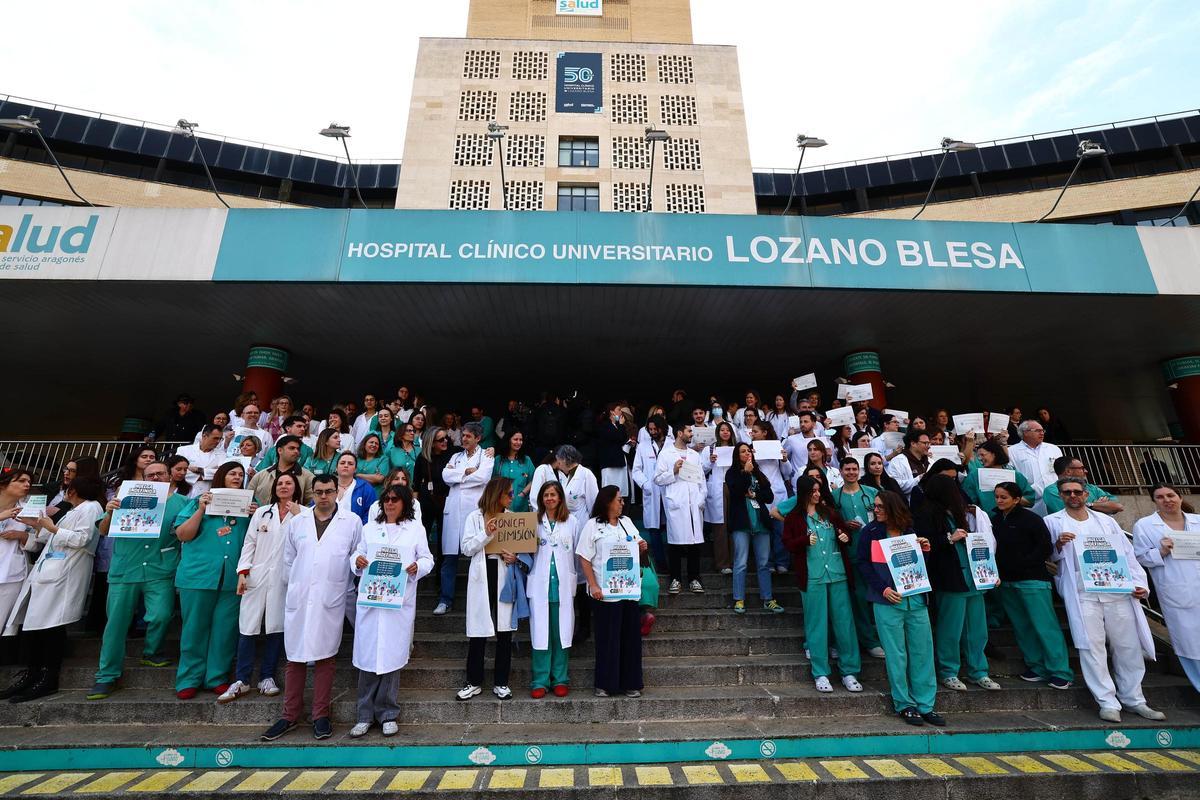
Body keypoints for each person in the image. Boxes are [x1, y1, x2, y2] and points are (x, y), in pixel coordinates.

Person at [1045, 476, 1163, 723]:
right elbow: (1048, 558)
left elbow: (1127, 554)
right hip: (1083, 593)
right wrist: (1058, 544)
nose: (1073, 496)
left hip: (1117, 590)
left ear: (1086, 495)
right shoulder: (1052, 522)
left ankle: (1134, 699)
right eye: (1067, 492)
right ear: (1060, 495)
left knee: (1128, 647)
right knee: (1092, 646)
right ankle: (1107, 701)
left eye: (1077, 491)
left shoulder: (1106, 521)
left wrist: (1139, 584)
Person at [260, 474, 363, 741]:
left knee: (326, 657)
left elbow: (355, 556)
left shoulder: (351, 522)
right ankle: (289, 715)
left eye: (329, 491)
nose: (324, 496)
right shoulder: (299, 521)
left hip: (331, 597)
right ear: (312, 494)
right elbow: (289, 560)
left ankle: (320, 715)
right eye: (319, 492)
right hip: (300, 597)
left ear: (336, 493)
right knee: (294, 658)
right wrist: (296, 588)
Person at [88, 460, 189, 700]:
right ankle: (106, 675)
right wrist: (111, 511)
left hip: (160, 568)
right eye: (150, 475)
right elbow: (102, 531)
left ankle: (152, 650)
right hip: (126, 568)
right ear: (143, 479)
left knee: (162, 615)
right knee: (116, 624)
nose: (156, 478)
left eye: (160, 474)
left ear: (170, 476)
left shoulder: (183, 502)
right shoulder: (124, 497)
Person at [1, 476, 104, 702]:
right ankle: (32, 674)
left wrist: (52, 528)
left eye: (68, 488)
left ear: (74, 490)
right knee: (37, 628)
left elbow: (82, 539)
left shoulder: (91, 508)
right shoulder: (75, 510)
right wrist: (38, 526)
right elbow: (48, 537)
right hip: (48, 572)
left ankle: (47, 678)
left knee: (51, 627)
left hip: (64, 574)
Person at [349, 484, 433, 737]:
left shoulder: (415, 530)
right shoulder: (369, 528)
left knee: (391, 659)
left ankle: (387, 714)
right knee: (367, 658)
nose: (390, 503)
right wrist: (358, 561)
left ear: (405, 503)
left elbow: (428, 558)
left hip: (397, 602)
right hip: (372, 600)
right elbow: (357, 554)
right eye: (386, 499)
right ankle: (364, 715)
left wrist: (417, 566)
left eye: (395, 500)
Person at [219, 473, 308, 704]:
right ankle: (242, 679)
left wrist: (300, 518)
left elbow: (308, 545)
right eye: (280, 483)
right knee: (248, 626)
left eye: (289, 483)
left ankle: (267, 676)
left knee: (276, 627)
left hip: (285, 578)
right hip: (256, 576)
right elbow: (250, 543)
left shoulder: (304, 514)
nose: (284, 486)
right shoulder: (261, 512)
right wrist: (243, 572)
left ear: (295, 487)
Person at [858, 490, 944, 726]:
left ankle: (926, 705)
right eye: (874, 507)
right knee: (896, 655)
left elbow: (917, 567)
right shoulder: (870, 532)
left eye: (880, 507)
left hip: (915, 599)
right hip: (887, 601)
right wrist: (882, 589)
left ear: (893, 508)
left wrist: (925, 550)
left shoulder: (909, 531)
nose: (876, 511)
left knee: (922, 653)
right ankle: (904, 704)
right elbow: (863, 565)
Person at [172, 462, 257, 699]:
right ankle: (189, 678)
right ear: (221, 475)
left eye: (241, 474)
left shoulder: (250, 507)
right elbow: (183, 535)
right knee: (194, 629)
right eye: (232, 473)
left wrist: (255, 516)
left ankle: (216, 677)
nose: (238, 477)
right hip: (198, 576)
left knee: (224, 630)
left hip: (233, 578)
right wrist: (201, 509)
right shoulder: (198, 501)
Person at [778, 475, 863, 694]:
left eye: (819, 490)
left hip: (837, 574)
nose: (817, 494)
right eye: (813, 491)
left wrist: (845, 537)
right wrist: (803, 541)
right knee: (816, 625)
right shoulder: (794, 518)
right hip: (813, 576)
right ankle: (821, 672)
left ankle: (849, 671)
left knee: (844, 624)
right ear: (804, 493)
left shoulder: (830, 513)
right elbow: (787, 543)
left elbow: (844, 534)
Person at [916, 474, 1000, 692]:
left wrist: (990, 573)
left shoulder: (962, 514)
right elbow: (923, 543)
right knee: (950, 629)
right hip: (950, 579)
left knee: (977, 629)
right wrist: (947, 539)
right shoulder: (926, 514)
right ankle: (948, 671)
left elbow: (979, 545)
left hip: (973, 579)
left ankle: (978, 670)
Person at [990, 481, 1073, 689]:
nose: (999, 501)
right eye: (997, 497)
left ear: (1016, 499)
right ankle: (1036, 666)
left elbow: (1044, 547)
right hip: (1007, 582)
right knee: (1022, 627)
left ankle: (1060, 670)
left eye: (1004, 497)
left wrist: (1024, 565)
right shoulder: (995, 520)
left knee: (1045, 626)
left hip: (1033, 580)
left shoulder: (1032, 519)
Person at [577, 486, 648, 697]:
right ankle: (605, 683)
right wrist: (593, 585)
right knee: (608, 639)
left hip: (627, 590)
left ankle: (631, 683)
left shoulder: (626, 523)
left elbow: (636, 545)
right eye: (619, 500)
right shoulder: (593, 526)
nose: (622, 503)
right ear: (608, 502)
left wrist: (642, 546)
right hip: (605, 594)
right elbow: (584, 557)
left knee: (630, 638)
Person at [456, 478, 523, 701]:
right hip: (482, 573)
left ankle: (501, 682)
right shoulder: (474, 517)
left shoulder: (513, 518)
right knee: (478, 629)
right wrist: (485, 533)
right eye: (509, 493)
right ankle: (474, 681)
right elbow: (466, 548)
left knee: (504, 630)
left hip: (504, 573)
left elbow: (522, 551)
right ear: (497, 494)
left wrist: (515, 557)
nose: (512, 497)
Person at [1132, 483, 1200, 693]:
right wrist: (1161, 551)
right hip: (1176, 590)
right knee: (1190, 644)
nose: (1167, 500)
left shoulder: (1198, 522)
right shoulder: (1145, 525)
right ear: (1154, 501)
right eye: (1160, 497)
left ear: (1180, 497)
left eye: (1171, 495)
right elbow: (1140, 556)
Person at [436, 422, 494, 616]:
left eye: (468, 436)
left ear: (478, 438)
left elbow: (483, 477)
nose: (464, 438)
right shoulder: (455, 456)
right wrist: (466, 473)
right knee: (449, 559)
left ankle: (477, 603)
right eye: (463, 435)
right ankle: (445, 600)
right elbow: (445, 475)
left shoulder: (485, 455)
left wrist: (459, 477)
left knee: (476, 558)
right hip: (453, 512)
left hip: (474, 510)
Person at [528, 481, 579, 698]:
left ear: (560, 498)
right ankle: (540, 680)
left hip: (562, 586)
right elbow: (525, 551)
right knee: (540, 634)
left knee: (561, 634)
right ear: (541, 499)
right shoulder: (533, 522)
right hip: (540, 585)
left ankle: (560, 678)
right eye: (546, 495)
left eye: (553, 495)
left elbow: (577, 552)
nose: (549, 498)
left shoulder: (572, 521)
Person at [831, 458, 884, 658]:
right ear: (841, 471)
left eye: (854, 469)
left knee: (877, 597)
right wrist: (845, 524)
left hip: (875, 551)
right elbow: (832, 522)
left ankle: (875, 638)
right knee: (859, 599)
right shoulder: (835, 497)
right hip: (852, 553)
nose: (851, 472)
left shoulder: (871, 493)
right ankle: (868, 640)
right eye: (847, 469)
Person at [724, 443, 783, 614]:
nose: (746, 453)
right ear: (737, 455)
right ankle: (739, 599)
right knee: (740, 563)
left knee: (764, 563)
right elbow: (735, 492)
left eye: (748, 450)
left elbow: (769, 496)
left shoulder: (759, 473)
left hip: (761, 523)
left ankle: (768, 598)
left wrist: (755, 494)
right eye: (743, 451)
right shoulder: (732, 473)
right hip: (741, 523)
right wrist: (746, 472)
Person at [655, 424, 707, 595]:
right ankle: (675, 579)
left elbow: (702, 481)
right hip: (677, 503)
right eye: (689, 431)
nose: (692, 434)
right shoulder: (665, 455)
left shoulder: (694, 455)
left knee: (695, 544)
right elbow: (657, 479)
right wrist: (674, 471)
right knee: (676, 544)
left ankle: (694, 579)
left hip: (694, 503)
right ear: (679, 433)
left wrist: (700, 499)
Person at [0, 470, 40, 662]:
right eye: (21, 480)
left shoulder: (29, 510)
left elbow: (38, 542)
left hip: (11, 573)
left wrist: (23, 536)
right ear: (4, 484)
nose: (27, 484)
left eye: (29, 482)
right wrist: (2, 516)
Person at [749, 420, 793, 574]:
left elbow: (787, 472)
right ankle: (768, 562)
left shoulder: (777, 447)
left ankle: (782, 562)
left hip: (778, 492)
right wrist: (751, 458)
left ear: (765, 432)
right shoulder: (750, 450)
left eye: (755, 431)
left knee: (780, 529)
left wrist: (784, 459)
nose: (752, 434)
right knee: (764, 531)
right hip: (760, 493)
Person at [632, 415, 669, 571]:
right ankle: (661, 564)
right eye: (650, 429)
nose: (653, 432)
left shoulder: (672, 445)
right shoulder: (643, 447)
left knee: (671, 527)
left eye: (656, 429)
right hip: (652, 491)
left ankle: (673, 561)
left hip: (669, 491)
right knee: (654, 529)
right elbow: (636, 470)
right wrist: (646, 485)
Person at [962, 439, 1036, 515]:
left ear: (994, 454)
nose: (980, 458)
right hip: (986, 521)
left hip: (1012, 520)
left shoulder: (1016, 475)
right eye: (978, 456)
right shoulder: (975, 475)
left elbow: (1030, 501)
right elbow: (967, 499)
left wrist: (1011, 497)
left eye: (982, 455)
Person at [702, 421, 738, 575]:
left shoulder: (737, 449)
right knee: (720, 527)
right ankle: (723, 563)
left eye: (727, 430)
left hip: (735, 487)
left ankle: (737, 561)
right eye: (722, 430)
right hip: (718, 488)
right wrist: (710, 461)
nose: (725, 432)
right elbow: (701, 469)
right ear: (717, 432)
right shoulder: (709, 449)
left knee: (736, 525)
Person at [1041, 456, 1124, 515]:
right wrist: (1101, 506)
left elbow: (1118, 506)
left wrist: (1091, 505)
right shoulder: (1052, 491)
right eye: (1082, 468)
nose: (1086, 471)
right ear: (1068, 471)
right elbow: (1072, 512)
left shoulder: (1092, 488)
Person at [249, 435, 315, 506]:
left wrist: (299, 514)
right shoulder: (260, 476)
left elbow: (312, 505)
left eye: (298, 449)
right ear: (280, 450)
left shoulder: (308, 477)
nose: (296, 451)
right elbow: (248, 499)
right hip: (262, 516)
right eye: (292, 448)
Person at [414, 427, 454, 544]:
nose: (445, 441)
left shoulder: (452, 454)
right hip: (427, 499)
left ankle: (442, 561)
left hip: (446, 498)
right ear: (431, 443)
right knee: (423, 531)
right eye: (441, 440)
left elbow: (471, 451)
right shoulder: (422, 458)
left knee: (444, 534)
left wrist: (491, 449)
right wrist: (415, 505)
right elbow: (416, 483)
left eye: (446, 438)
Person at [1007, 420, 1063, 501]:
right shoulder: (1012, 451)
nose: (1042, 433)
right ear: (1025, 432)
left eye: (1042, 430)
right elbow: (1011, 475)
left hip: (1055, 496)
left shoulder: (1054, 448)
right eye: (1038, 431)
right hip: (1030, 498)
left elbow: (1062, 471)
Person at [176, 424, 227, 497]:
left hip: (207, 494)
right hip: (184, 493)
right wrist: (207, 475)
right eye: (215, 438)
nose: (218, 441)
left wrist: (200, 470)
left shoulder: (222, 454)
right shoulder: (183, 450)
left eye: (220, 439)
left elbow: (222, 473)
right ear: (204, 436)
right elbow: (178, 470)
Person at [596, 404, 634, 498]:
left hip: (619, 462)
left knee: (620, 491)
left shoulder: (617, 425)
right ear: (612, 412)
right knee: (609, 492)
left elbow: (622, 439)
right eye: (619, 409)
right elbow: (618, 438)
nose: (621, 412)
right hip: (609, 463)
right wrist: (621, 425)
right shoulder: (604, 425)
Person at [886, 429, 931, 502]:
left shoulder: (931, 461)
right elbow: (895, 486)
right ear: (913, 443)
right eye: (925, 443)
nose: (928, 446)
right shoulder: (897, 461)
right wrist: (919, 479)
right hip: (908, 507)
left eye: (929, 443)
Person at [495, 431, 535, 512]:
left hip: (521, 505)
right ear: (508, 440)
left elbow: (534, 479)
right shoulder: (499, 459)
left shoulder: (526, 460)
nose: (518, 442)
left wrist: (522, 494)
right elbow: (492, 481)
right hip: (501, 505)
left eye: (520, 440)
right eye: (515, 439)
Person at [333, 452, 377, 524]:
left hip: (355, 532)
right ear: (336, 467)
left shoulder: (365, 488)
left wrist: (359, 529)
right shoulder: (326, 486)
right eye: (342, 463)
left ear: (355, 469)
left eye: (350, 464)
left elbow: (371, 513)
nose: (346, 465)